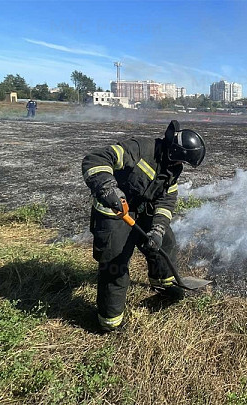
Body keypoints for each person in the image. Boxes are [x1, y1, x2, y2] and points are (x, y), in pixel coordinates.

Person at [81, 120, 206, 332]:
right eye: (180, 162)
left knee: (165, 242)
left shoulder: (173, 167)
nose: (180, 167)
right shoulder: (139, 149)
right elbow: (95, 160)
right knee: (115, 265)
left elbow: (166, 200)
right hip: (114, 212)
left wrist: (157, 230)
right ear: (173, 151)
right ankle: (109, 322)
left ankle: (163, 284)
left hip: (142, 211)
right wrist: (109, 189)